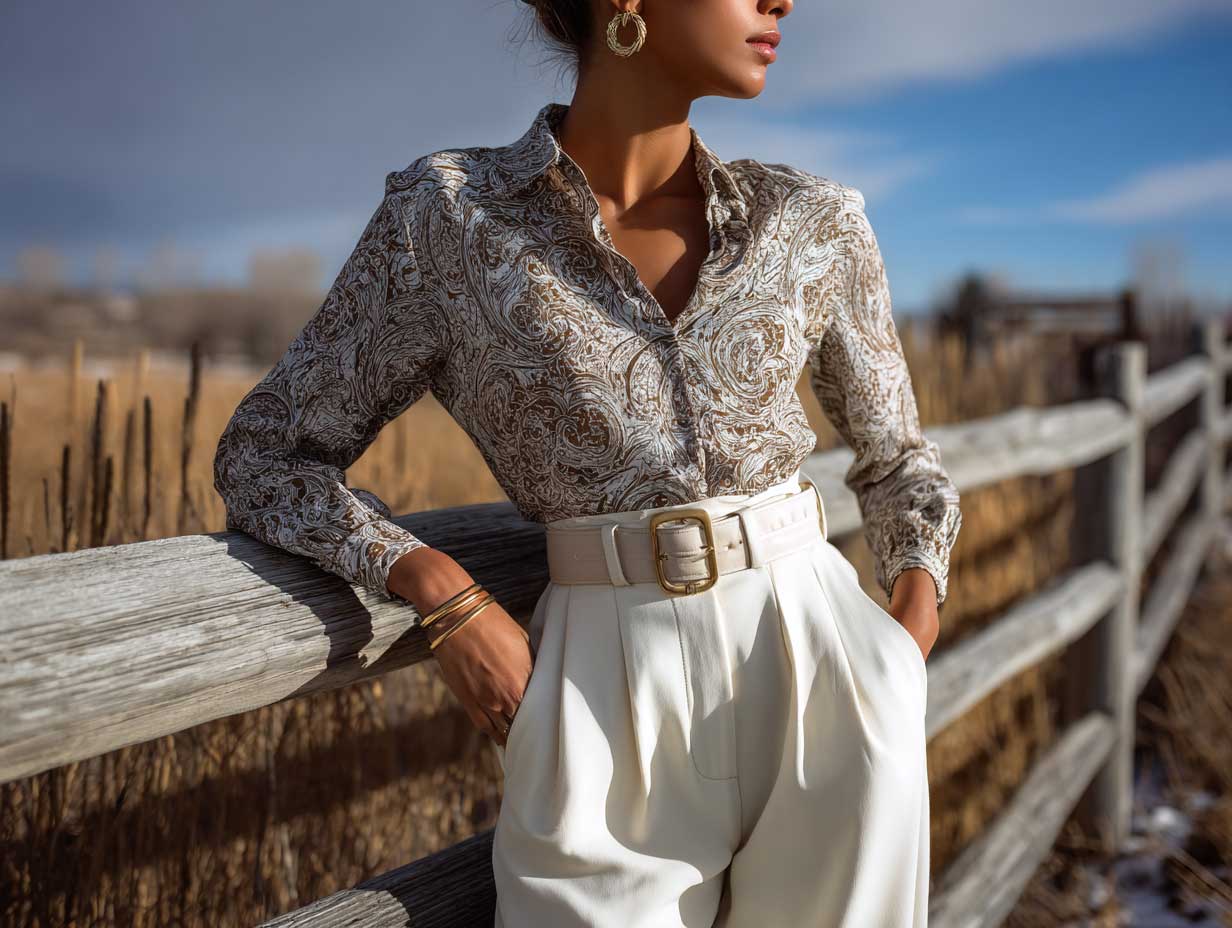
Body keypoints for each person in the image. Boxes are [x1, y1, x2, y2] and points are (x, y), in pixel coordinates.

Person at [213, 1, 963, 924]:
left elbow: (898, 465)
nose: (782, 0)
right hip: (596, 693)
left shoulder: (812, 220)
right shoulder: (449, 219)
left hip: (822, 665)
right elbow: (266, 455)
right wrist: (438, 590)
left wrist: (901, 647)